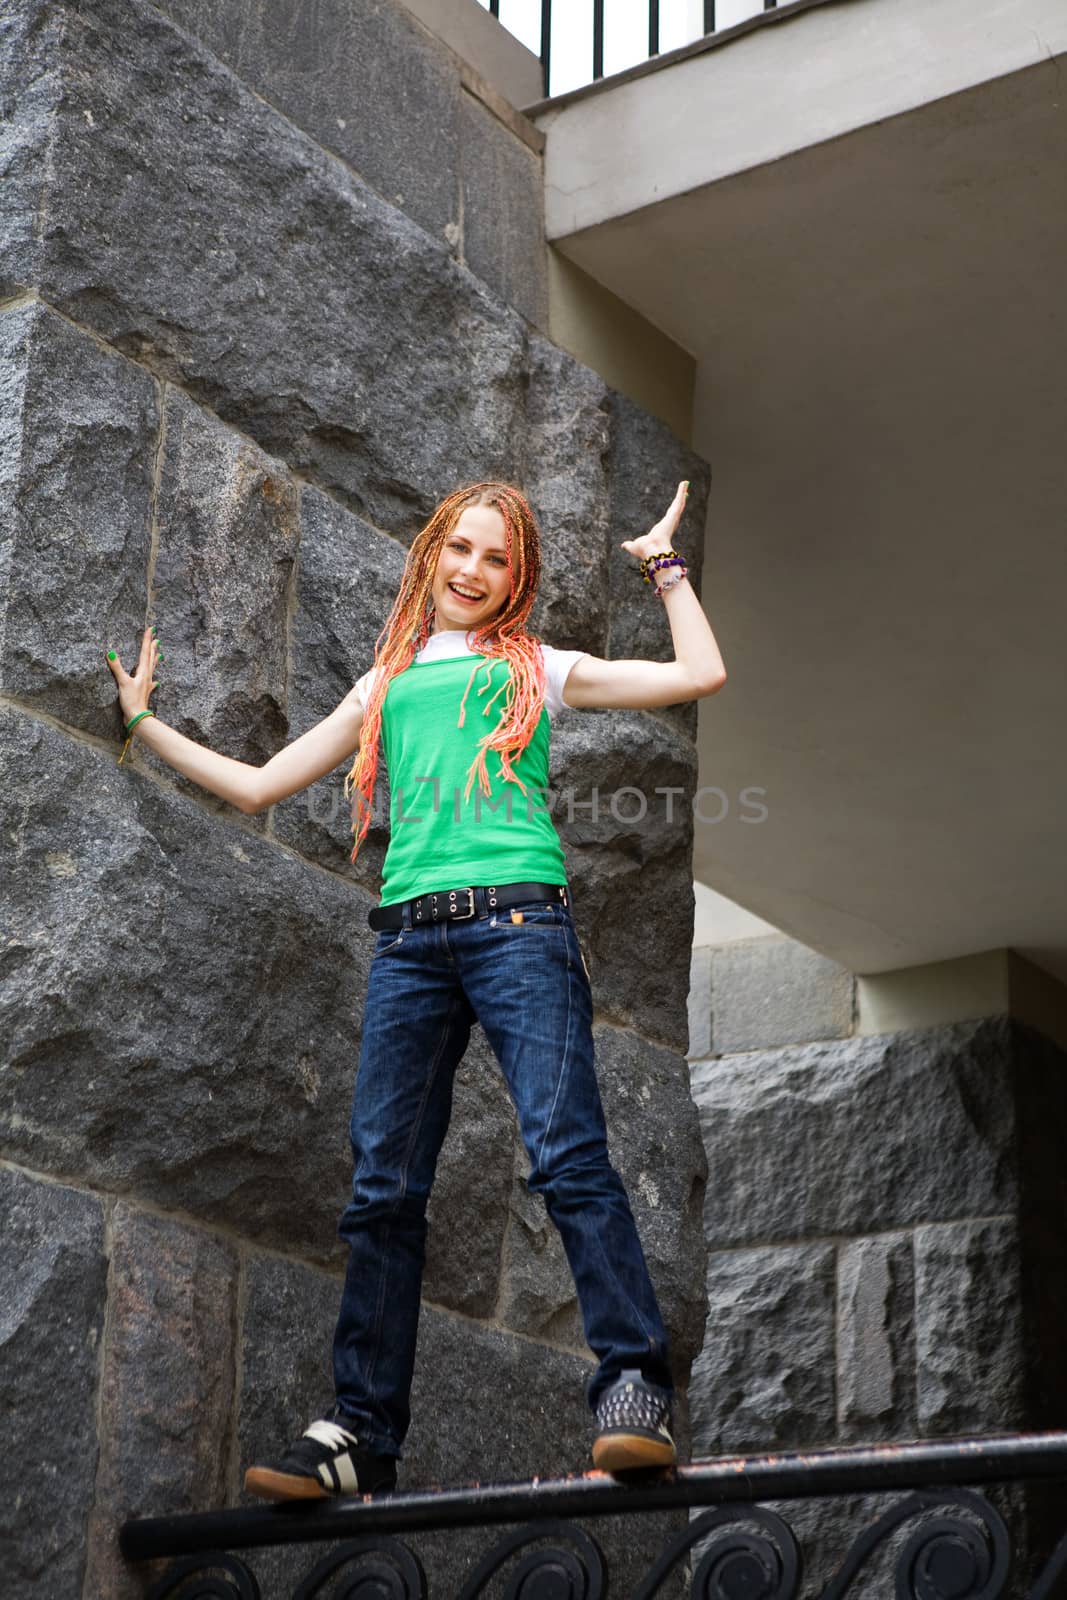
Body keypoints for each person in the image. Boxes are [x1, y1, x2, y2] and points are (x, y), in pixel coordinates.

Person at [106, 477, 726, 1499]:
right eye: (462, 549)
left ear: (514, 579)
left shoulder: (533, 667)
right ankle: (359, 1433)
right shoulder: (386, 681)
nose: (473, 571)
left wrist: (663, 564)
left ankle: (631, 1384)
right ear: (432, 552)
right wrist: (141, 725)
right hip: (409, 948)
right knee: (381, 1192)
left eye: (497, 559)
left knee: (567, 1157)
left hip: (519, 927)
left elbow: (700, 672)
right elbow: (264, 784)